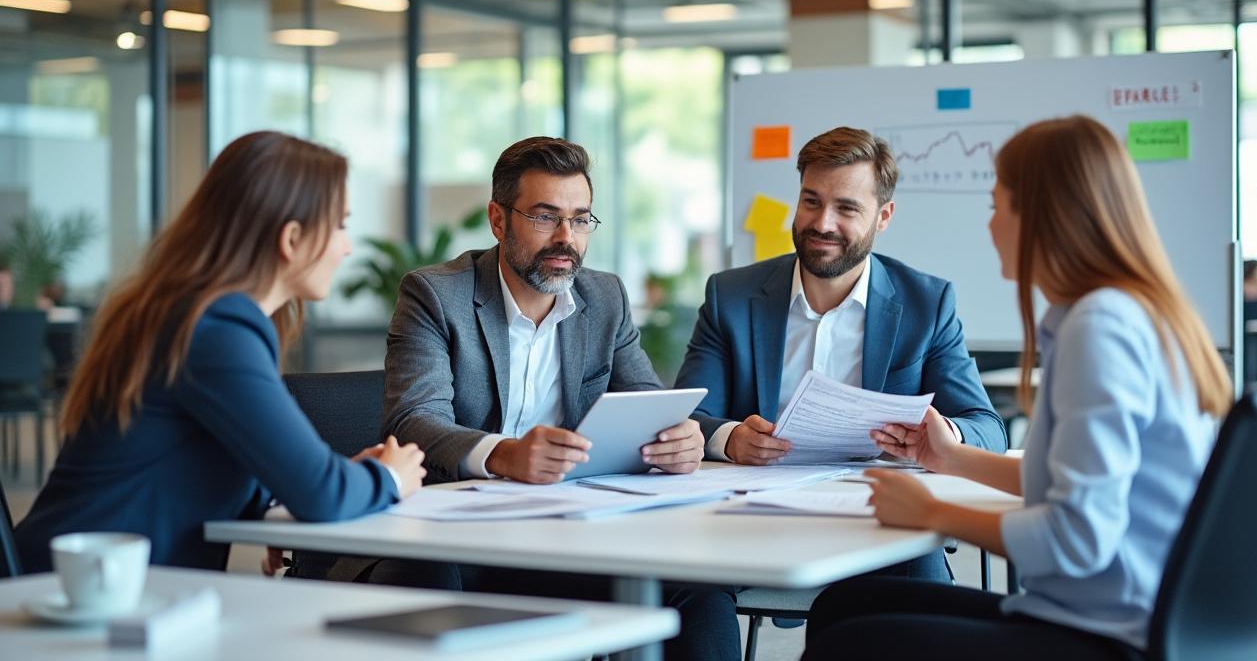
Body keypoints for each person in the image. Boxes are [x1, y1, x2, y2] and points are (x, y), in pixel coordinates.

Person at [802, 115, 1231, 659]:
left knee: (849, 642)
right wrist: (953, 459)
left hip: (1111, 634)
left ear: (1044, 217)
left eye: (996, 206)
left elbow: (1076, 539)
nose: (991, 226)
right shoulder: (1132, 311)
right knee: (846, 606)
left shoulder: (1099, 328)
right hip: (1139, 612)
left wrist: (933, 513)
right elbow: (1071, 481)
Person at [373, 136, 733, 661]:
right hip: (459, 537)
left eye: (580, 219)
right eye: (545, 217)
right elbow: (414, 420)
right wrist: (504, 454)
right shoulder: (436, 294)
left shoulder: (604, 297)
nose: (567, 238)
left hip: (573, 534)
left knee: (697, 591)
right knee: (422, 580)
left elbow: (647, 402)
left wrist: (677, 440)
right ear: (498, 221)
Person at [14, 131, 426, 574]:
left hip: (95, 577)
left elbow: (200, 466)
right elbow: (321, 496)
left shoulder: (191, 313)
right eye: (340, 225)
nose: (347, 247)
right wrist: (389, 477)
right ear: (291, 239)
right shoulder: (218, 329)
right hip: (76, 589)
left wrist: (328, 481)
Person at [675, 125, 1006, 581]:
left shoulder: (926, 303)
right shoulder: (730, 296)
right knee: (691, 587)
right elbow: (688, 416)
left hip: (881, 517)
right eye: (811, 201)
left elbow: (987, 428)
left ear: (883, 216)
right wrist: (730, 439)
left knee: (921, 591)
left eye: (846, 208)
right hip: (753, 515)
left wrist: (943, 434)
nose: (822, 223)